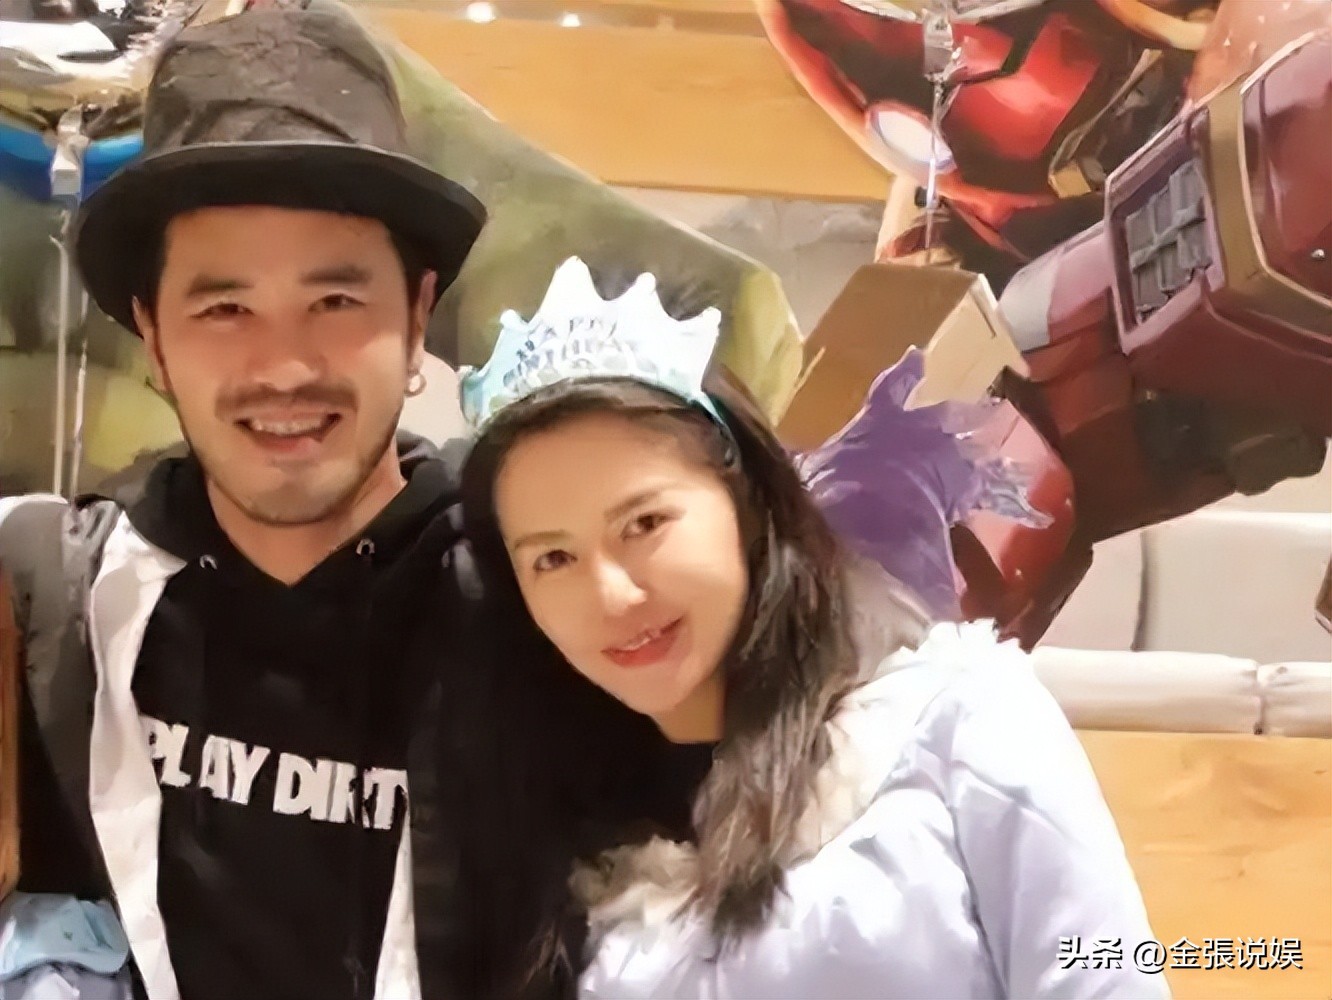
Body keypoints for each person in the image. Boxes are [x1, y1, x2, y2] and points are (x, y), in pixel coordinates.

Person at [454, 258, 1172, 999]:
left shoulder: (958, 724)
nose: (611, 594)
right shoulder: (537, 836)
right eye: (553, 558)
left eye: (643, 523)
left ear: (746, 501)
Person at [0, 7, 510, 999]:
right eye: (224, 308)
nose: (282, 366)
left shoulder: (534, 605)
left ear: (416, 315)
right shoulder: (57, 601)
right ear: (154, 335)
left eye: (336, 301)